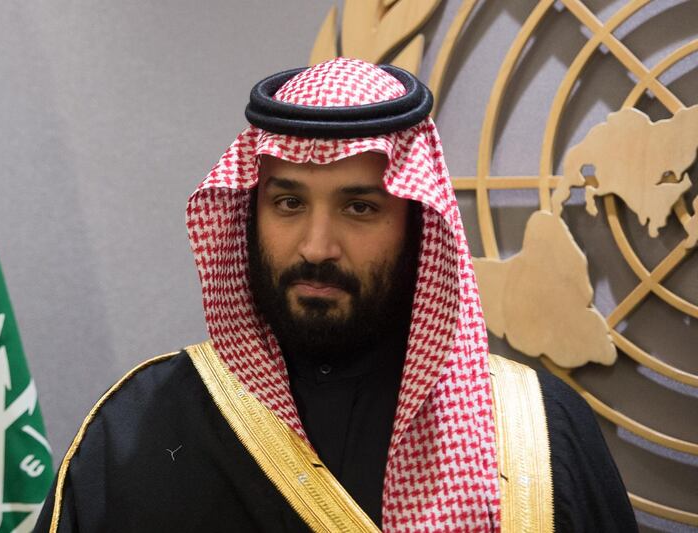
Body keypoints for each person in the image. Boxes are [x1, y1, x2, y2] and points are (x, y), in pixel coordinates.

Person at [33, 58, 636, 532]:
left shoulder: (536, 434)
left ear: (418, 228)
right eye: (289, 203)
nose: (317, 246)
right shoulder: (138, 429)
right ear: (249, 213)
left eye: (360, 207)